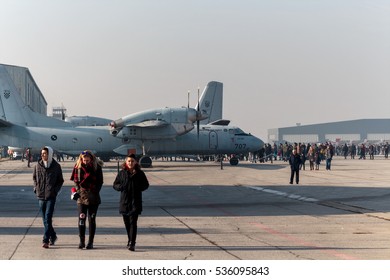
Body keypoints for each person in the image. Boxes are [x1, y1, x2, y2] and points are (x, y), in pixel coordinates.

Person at [113, 154, 149, 251]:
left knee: (133, 222)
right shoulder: (122, 173)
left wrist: (138, 188)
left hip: (135, 201)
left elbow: (146, 185)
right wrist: (121, 187)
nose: (130, 163)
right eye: (129, 161)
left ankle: (132, 243)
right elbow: (115, 184)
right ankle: (129, 239)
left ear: (135, 162)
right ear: (126, 162)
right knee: (127, 223)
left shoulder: (140, 173)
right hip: (124, 201)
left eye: (132, 161)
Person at [70, 150, 103, 249]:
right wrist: (76, 191)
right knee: (81, 218)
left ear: (91, 159)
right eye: (84, 160)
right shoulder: (77, 167)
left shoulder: (97, 168)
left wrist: (95, 191)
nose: (85, 162)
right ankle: (82, 241)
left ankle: (90, 242)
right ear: (81, 159)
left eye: (87, 160)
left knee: (91, 219)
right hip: (81, 197)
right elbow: (75, 182)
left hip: (93, 197)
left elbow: (100, 182)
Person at [33, 146, 64, 248]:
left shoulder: (56, 166)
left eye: (44, 153)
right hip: (40, 196)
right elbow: (34, 178)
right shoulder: (38, 165)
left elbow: (60, 181)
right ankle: (53, 236)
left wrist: (55, 191)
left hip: (51, 196)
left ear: (49, 154)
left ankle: (45, 240)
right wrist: (36, 188)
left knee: (48, 217)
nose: (42, 155)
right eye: (42, 153)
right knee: (45, 220)